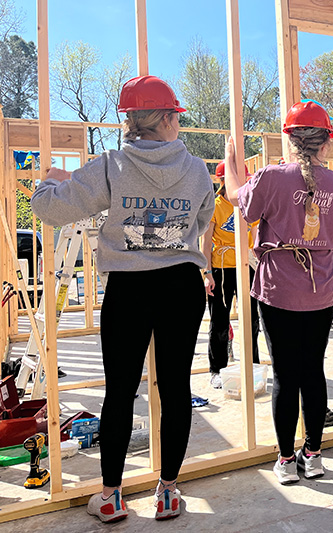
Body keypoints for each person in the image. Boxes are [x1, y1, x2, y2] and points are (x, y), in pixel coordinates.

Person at [31, 75, 214, 522]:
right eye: (176, 118)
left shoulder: (111, 165)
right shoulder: (196, 169)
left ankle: (111, 497)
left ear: (130, 122)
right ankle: (168, 492)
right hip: (181, 285)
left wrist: (47, 184)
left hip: (129, 289)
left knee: (119, 393)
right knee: (175, 389)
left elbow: (50, 209)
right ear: (170, 119)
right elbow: (204, 216)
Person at [223, 100, 333, 484]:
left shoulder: (270, 177)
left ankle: (286, 459)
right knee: (313, 371)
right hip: (322, 288)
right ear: (326, 142)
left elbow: (235, 199)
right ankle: (313, 455)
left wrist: (231, 162)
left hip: (279, 289)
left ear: (289, 140)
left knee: (284, 375)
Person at [202, 161, 262, 389]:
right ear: (223, 181)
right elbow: (206, 243)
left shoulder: (249, 206)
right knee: (219, 321)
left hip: (246, 267)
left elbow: (256, 239)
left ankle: (253, 366)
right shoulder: (215, 206)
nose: (242, 183)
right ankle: (217, 369)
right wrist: (207, 273)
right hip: (220, 269)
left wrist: (261, 266)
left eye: (244, 179)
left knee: (252, 320)